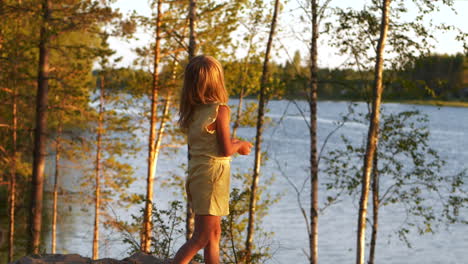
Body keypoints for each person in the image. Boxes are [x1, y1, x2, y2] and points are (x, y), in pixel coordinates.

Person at [173, 55, 253, 264]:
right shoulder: (220, 110)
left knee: (213, 234)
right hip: (212, 178)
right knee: (201, 237)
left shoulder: (193, 112)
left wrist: (231, 142)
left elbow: (208, 144)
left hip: (199, 176)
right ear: (217, 82)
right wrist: (241, 145)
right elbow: (226, 149)